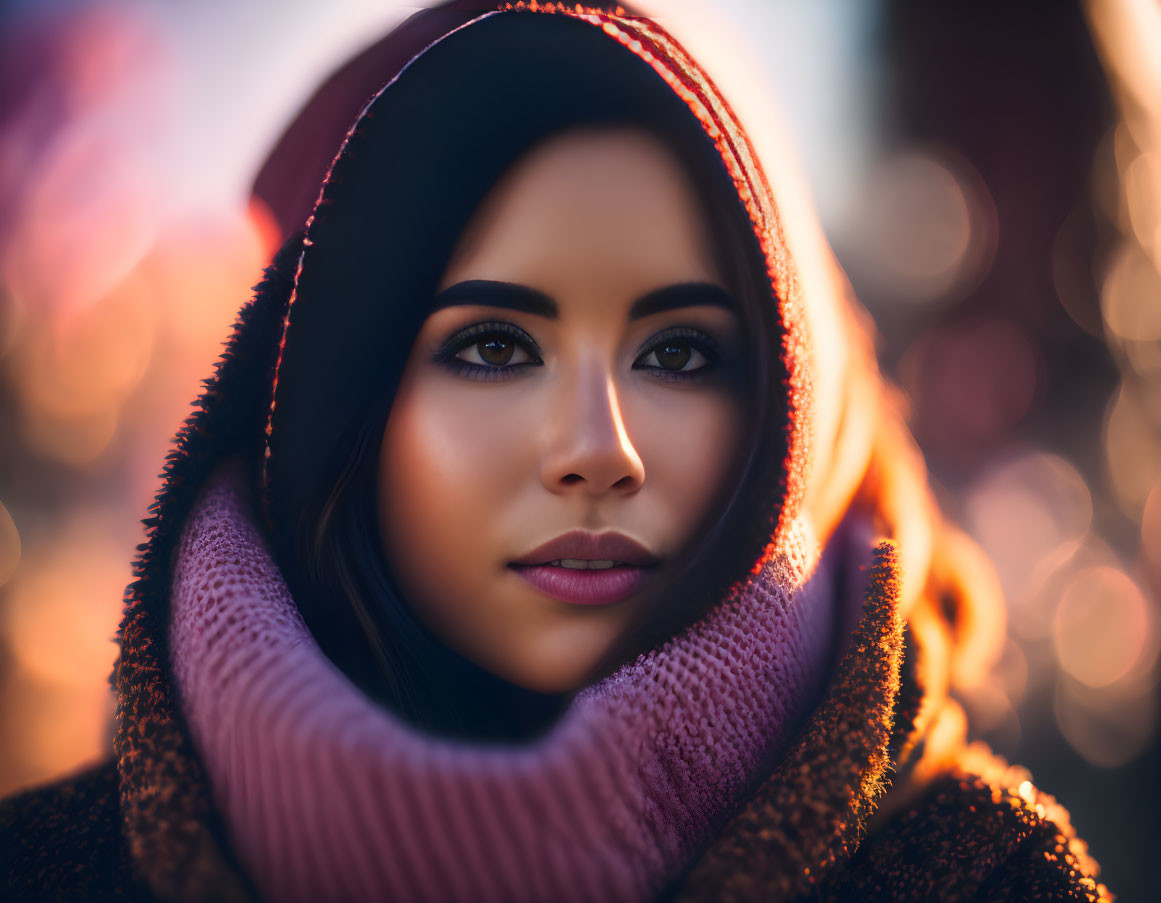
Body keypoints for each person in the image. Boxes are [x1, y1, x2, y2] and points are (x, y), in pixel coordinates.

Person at [0, 3, 1111, 901]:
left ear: (793, 406)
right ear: (339, 399)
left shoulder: (990, 880)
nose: (598, 452)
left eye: (679, 354)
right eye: (492, 346)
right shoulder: (43, 871)